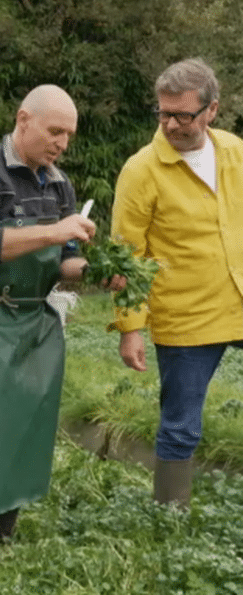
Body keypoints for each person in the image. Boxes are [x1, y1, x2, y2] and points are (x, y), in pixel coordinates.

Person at [0, 84, 123, 569]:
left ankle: (3, 530)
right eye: (54, 130)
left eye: (69, 135)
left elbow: (66, 261)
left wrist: (98, 272)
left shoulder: (59, 184)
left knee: (25, 425)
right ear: (24, 120)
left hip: (34, 318)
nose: (62, 143)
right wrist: (54, 230)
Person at [111, 58, 243, 509]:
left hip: (241, 300)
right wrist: (130, 327)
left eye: (182, 115)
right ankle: (171, 517)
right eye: (163, 113)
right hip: (188, 316)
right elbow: (126, 256)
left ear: (211, 110)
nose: (170, 124)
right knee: (181, 423)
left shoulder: (235, 152)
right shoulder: (141, 170)